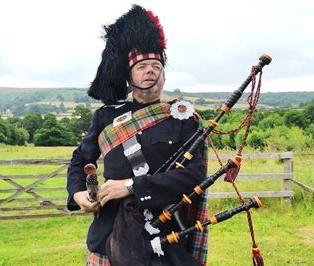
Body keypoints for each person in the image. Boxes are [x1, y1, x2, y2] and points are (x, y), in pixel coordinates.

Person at [66, 5, 208, 265]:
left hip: (168, 235)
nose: (150, 70)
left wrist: (131, 186)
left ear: (164, 77)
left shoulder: (182, 118)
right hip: (110, 236)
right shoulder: (106, 117)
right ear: (129, 77)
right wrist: (78, 195)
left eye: (156, 66)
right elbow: (80, 160)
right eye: (142, 66)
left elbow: (195, 175)